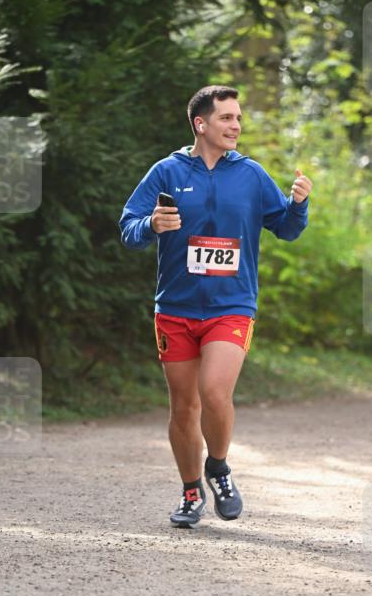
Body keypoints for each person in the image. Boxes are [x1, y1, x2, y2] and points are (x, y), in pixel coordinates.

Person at [119, 85, 312, 527]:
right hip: (175, 308)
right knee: (183, 406)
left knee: (214, 392)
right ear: (200, 124)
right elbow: (128, 226)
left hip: (232, 305)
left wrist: (298, 205)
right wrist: (150, 224)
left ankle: (219, 467)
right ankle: (191, 493)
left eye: (239, 118)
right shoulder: (166, 172)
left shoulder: (250, 174)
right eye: (226, 118)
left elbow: (284, 227)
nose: (236, 126)